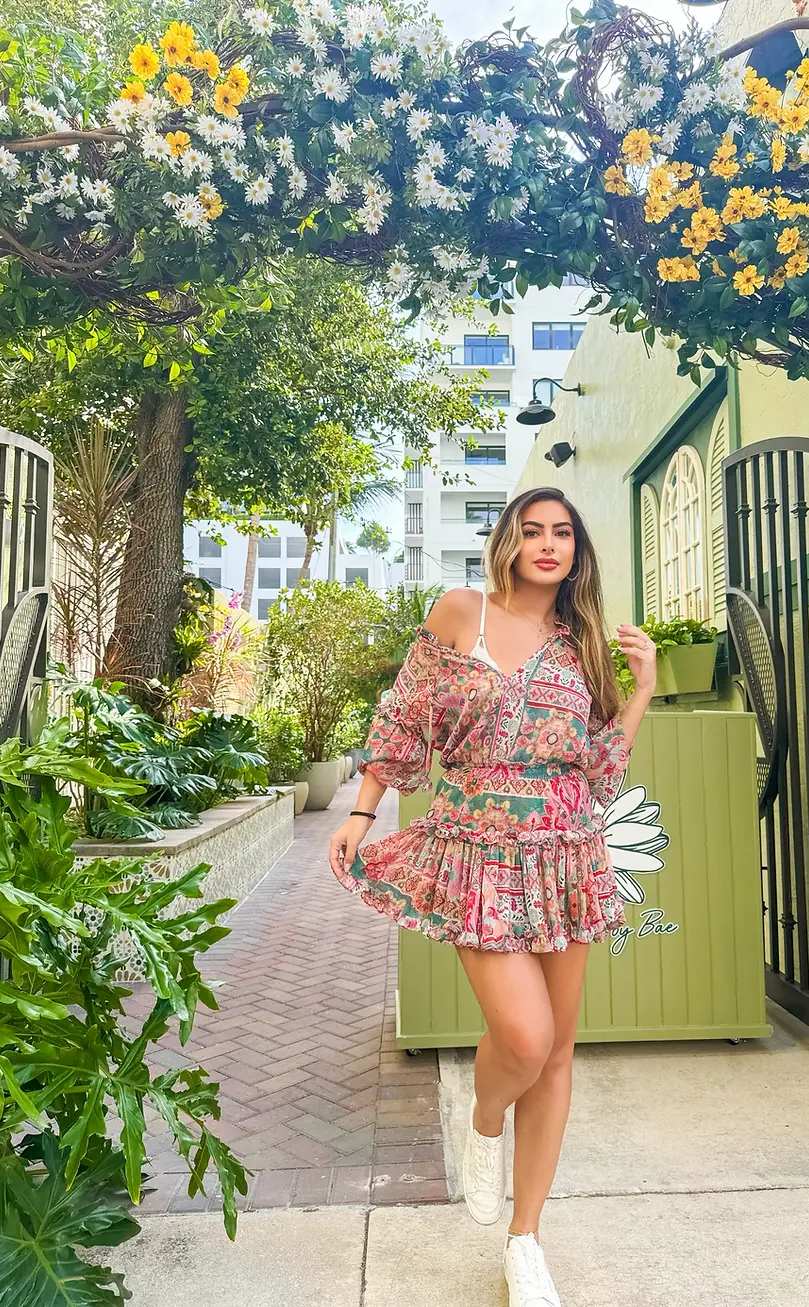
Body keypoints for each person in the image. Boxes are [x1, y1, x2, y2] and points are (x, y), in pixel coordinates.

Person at [329, 486, 657, 1307]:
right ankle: (482, 1120)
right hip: (477, 849)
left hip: (568, 852)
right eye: (534, 530)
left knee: (556, 1051)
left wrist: (641, 689)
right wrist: (363, 809)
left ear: (577, 552)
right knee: (523, 1032)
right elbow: (404, 719)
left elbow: (600, 769)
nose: (549, 544)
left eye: (563, 534)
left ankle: (525, 1240)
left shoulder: (579, 643)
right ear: (509, 540)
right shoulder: (459, 613)